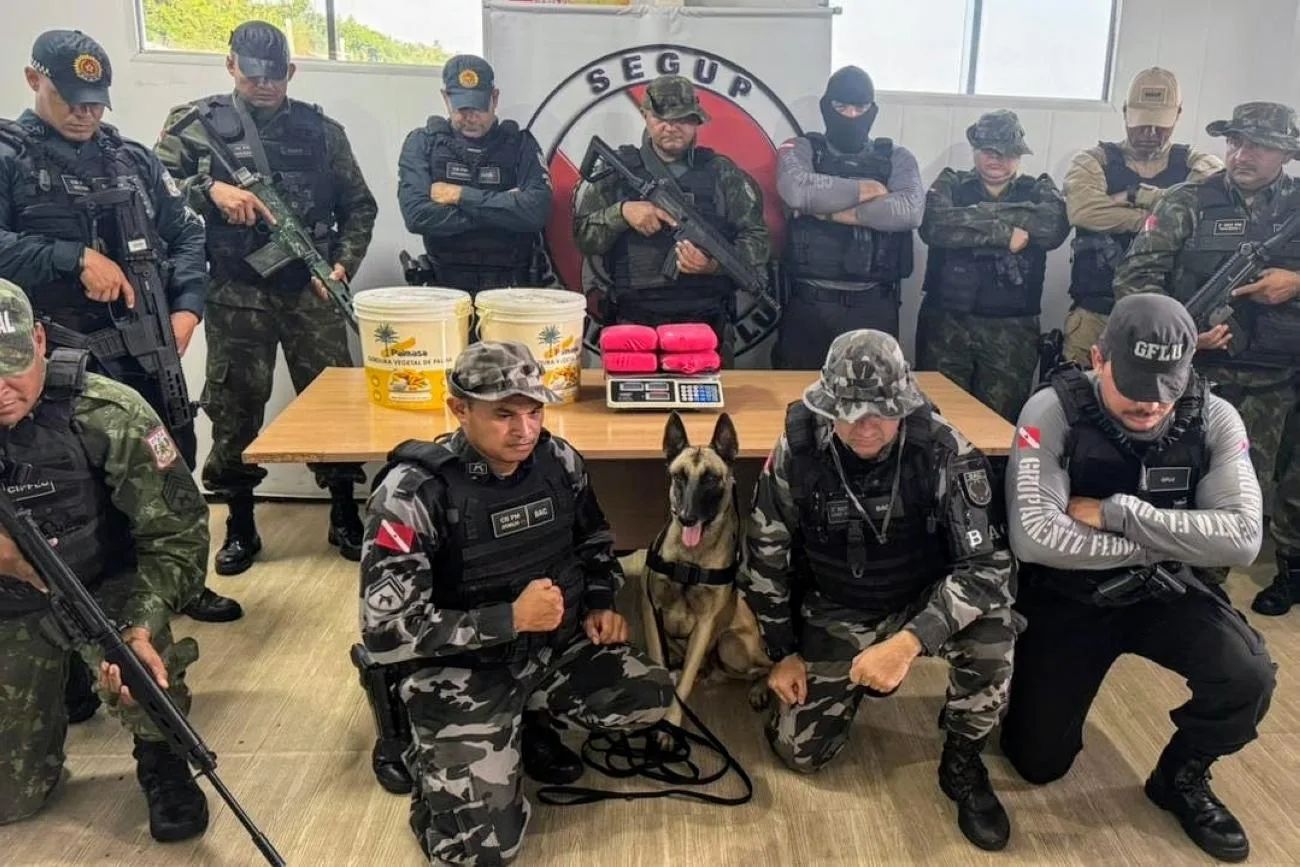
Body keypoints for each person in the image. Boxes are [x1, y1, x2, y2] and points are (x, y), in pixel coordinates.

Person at [358, 340, 672, 864]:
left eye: (533, 411)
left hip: (551, 649)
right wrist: (508, 618)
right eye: (503, 414)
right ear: (459, 409)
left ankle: (525, 721)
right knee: (481, 855)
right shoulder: (413, 494)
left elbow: (594, 542)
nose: (524, 430)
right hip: (462, 671)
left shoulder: (558, 460)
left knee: (648, 696)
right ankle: (418, 747)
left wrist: (598, 600)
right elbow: (385, 629)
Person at [1001, 294, 1274, 863]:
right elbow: (1035, 537)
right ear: (1099, 358)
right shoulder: (1051, 411)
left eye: (1167, 387)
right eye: (1135, 383)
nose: (1152, 403)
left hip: (1164, 590)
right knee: (1037, 764)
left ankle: (1180, 777)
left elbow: (1244, 538)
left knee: (1247, 674)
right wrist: (1178, 536)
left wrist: (1120, 514)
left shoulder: (1216, 416)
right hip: (1070, 596)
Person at [738, 329, 1020, 851]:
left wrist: (908, 642)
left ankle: (962, 760)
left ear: (904, 404)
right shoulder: (797, 452)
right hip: (837, 603)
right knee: (800, 754)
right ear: (827, 407)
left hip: (923, 600)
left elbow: (987, 569)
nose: (864, 426)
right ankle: (850, 682)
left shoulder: (943, 450)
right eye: (848, 412)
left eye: (880, 412)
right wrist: (782, 654)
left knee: (994, 635)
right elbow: (764, 557)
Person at [0, 29, 239, 624]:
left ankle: (176, 586)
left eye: (95, 101)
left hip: (145, 351)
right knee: (78, 488)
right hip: (51, 366)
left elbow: (186, 235)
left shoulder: (131, 158)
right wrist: (72, 258)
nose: (85, 113)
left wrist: (187, 308)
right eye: (72, 98)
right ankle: (77, 612)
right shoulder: (7, 159)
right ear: (35, 80)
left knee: (167, 467)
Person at [154, 20, 378, 574]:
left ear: (291, 73)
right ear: (231, 66)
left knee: (334, 402)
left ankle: (345, 511)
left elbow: (359, 207)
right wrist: (208, 190)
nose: (264, 85)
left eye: (275, 76)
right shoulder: (194, 126)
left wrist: (342, 265)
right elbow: (150, 189)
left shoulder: (322, 131)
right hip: (235, 291)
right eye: (253, 74)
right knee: (235, 406)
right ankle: (240, 523)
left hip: (309, 290)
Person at [0, 279, 210, 842]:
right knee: (12, 801)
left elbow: (178, 535)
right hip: (8, 605)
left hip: (102, 584)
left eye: (12, 365)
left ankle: (161, 758)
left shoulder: (108, 412)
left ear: (40, 340)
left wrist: (142, 623)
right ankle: (60, 676)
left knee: (141, 669)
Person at [1113, 101, 1300, 617]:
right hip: (1194, 376)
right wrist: (1185, 331)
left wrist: (1295, 282)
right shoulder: (1186, 201)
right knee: (1174, 480)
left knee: (1248, 491)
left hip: (1274, 380)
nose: (1241, 154)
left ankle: (1208, 594)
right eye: (1235, 142)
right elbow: (1135, 280)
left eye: (1257, 145)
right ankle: (1162, 582)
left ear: (1285, 153)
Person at [573, 74, 770, 366]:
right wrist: (622, 213)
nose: (670, 127)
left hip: (705, 327)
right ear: (645, 116)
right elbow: (583, 237)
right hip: (633, 324)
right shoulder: (618, 170)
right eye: (660, 118)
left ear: (696, 121)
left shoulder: (722, 173)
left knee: (704, 408)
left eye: (682, 119)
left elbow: (758, 239)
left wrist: (713, 266)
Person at [917, 109, 1070, 422]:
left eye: (1007, 152)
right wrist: (1004, 232)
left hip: (1011, 332)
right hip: (947, 327)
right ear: (975, 149)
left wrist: (971, 220)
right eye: (989, 151)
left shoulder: (1039, 189)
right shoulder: (950, 183)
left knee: (1000, 425)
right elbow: (933, 224)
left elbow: (1052, 227)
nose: (997, 159)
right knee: (937, 423)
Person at [1062, 68, 1223, 366]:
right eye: (1141, 125)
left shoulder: (1201, 164)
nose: (1150, 134)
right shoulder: (1091, 161)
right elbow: (1084, 211)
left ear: (1178, 114)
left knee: (1155, 406)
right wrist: (1165, 220)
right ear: (1125, 113)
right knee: (1078, 399)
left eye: (1160, 126)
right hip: (1096, 314)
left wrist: (1136, 196)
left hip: (1166, 321)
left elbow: (1208, 208)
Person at [773, 65, 923, 367]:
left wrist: (832, 213)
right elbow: (798, 192)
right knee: (796, 398)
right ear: (826, 108)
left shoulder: (897, 157)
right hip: (809, 306)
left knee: (874, 406)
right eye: (841, 107)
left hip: (874, 305)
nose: (851, 115)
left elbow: (910, 211)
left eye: (860, 107)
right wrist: (867, 189)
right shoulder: (801, 149)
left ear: (872, 110)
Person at [397, 55, 552, 294]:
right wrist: (504, 209)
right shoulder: (423, 143)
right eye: (462, 107)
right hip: (446, 288)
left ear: (495, 98)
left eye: (478, 107)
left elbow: (535, 213)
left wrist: (460, 195)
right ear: (445, 98)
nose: (470, 117)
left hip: (513, 289)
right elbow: (417, 216)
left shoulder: (521, 145)